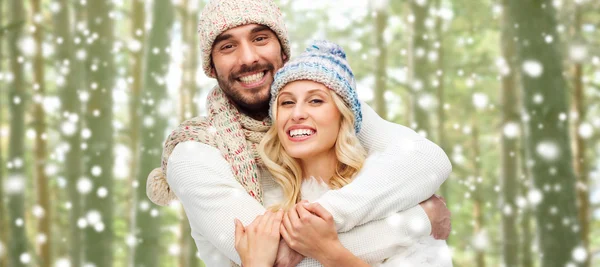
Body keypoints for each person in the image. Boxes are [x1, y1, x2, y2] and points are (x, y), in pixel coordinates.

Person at [145, 0, 452, 266]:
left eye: (261, 38)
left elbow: (428, 160)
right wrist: (418, 220)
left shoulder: (325, 107)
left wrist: (320, 220)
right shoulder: (194, 152)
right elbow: (277, 258)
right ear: (211, 66)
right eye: (227, 46)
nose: (248, 57)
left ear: (283, 49)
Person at [234, 40, 452, 267]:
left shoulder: (390, 195)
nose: (297, 113)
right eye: (287, 102)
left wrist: (330, 252)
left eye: (316, 100)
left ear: (343, 117)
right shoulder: (264, 209)